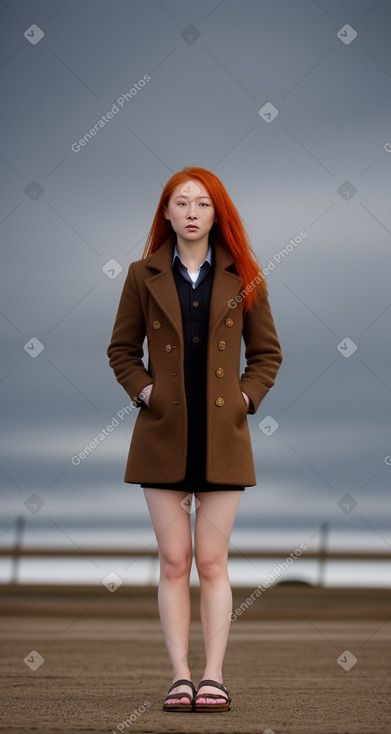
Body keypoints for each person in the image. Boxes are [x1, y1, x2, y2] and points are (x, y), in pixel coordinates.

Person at [107, 167, 282, 713]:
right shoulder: (141, 275)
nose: (190, 211)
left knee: (211, 561)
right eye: (180, 203)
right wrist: (147, 394)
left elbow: (267, 355)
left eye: (202, 204)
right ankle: (180, 677)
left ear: (216, 214)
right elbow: (121, 351)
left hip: (224, 439)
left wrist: (247, 400)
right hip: (162, 436)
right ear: (165, 213)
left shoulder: (247, 276)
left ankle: (214, 677)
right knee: (174, 561)